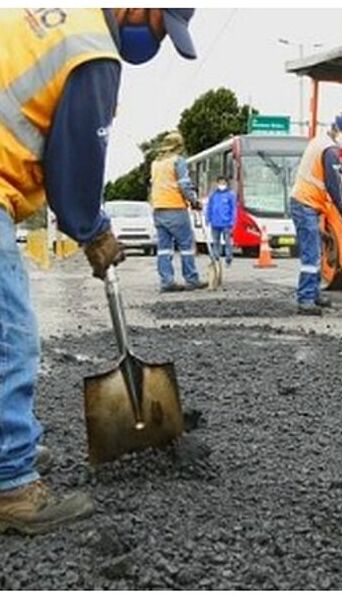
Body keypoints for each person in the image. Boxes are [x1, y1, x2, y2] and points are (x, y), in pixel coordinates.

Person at [0, 8, 197, 535]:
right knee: (10, 337)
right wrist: (94, 231)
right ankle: (10, 485)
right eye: (160, 28)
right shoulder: (93, 51)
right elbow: (77, 160)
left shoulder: (60, 18)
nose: (153, 43)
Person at [290, 115, 342, 316]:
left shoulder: (322, 143)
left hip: (309, 203)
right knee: (311, 254)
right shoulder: (329, 150)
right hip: (305, 203)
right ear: (336, 130)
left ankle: (313, 294)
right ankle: (305, 299)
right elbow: (333, 185)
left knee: (317, 252)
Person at [150, 130, 207, 292]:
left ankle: (166, 281)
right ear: (179, 146)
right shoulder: (178, 161)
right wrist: (194, 201)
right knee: (186, 245)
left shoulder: (156, 164)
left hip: (159, 208)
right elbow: (183, 184)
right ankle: (191, 279)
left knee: (164, 248)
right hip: (175, 208)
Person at [206, 175, 236, 266]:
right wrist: (208, 218)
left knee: (228, 242)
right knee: (215, 241)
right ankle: (216, 258)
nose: (221, 185)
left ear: (226, 184)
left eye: (223, 183)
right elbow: (209, 207)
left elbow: (233, 209)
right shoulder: (213, 195)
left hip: (226, 223)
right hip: (215, 222)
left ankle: (228, 258)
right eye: (220, 183)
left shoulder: (230, 195)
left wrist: (232, 221)